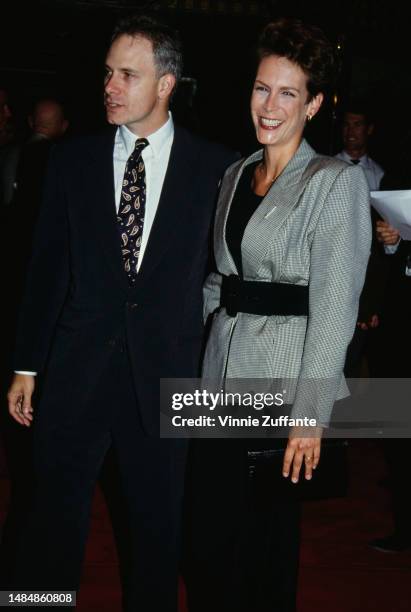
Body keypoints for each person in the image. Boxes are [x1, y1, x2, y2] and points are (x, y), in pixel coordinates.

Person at [6, 14, 235, 611]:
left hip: (166, 381)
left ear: (166, 84)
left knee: (157, 536)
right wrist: (27, 365)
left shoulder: (217, 169)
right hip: (75, 373)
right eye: (107, 72)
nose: (109, 86)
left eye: (127, 75)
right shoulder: (70, 161)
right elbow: (46, 270)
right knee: (47, 526)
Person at [183, 18, 371, 612]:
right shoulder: (237, 174)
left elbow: (336, 309)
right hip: (219, 381)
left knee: (257, 548)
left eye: (288, 92)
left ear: (313, 104)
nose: (269, 105)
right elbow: (219, 277)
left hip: (282, 389)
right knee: (208, 539)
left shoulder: (333, 182)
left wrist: (310, 414)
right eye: (262, 88)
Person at [335, 103, 387, 376]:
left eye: (357, 125)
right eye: (346, 124)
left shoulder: (381, 176)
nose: (350, 131)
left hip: (366, 275)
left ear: (369, 130)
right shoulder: (326, 167)